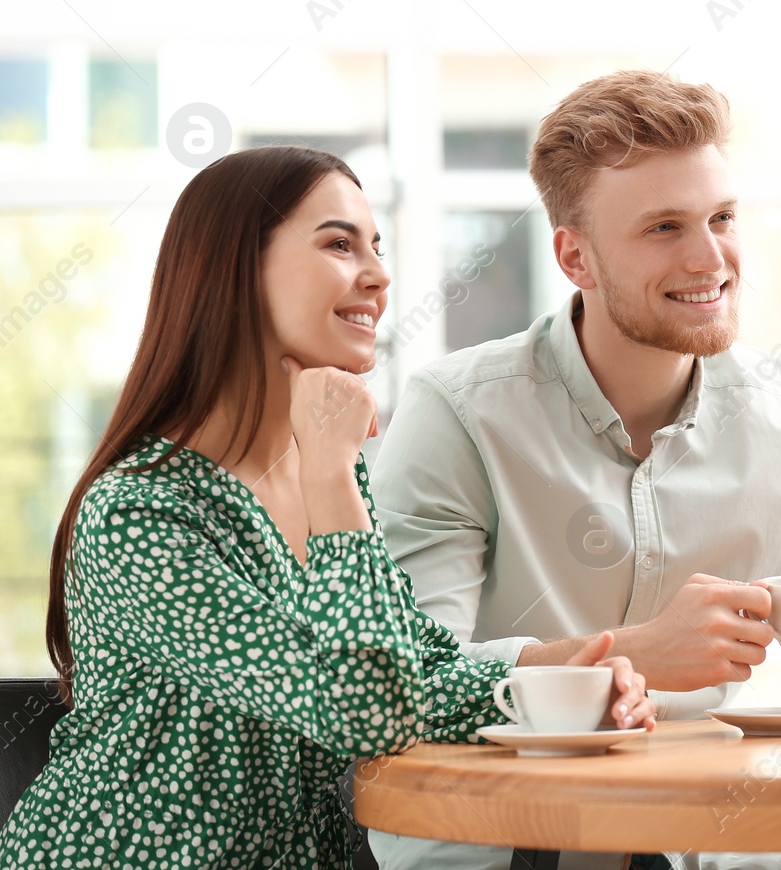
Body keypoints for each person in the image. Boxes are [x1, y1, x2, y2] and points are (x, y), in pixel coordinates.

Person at [0, 147, 653, 869]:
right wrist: (334, 475)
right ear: (235, 269)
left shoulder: (321, 473)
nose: (377, 275)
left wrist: (569, 680)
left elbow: (410, 675)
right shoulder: (139, 514)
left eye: (377, 247)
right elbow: (366, 712)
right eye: (339, 244)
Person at [367, 71, 781, 870]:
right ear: (577, 256)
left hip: (704, 842)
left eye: (722, 217)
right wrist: (627, 652)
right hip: (498, 846)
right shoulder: (459, 411)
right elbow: (401, 678)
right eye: (665, 227)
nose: (710, 256)